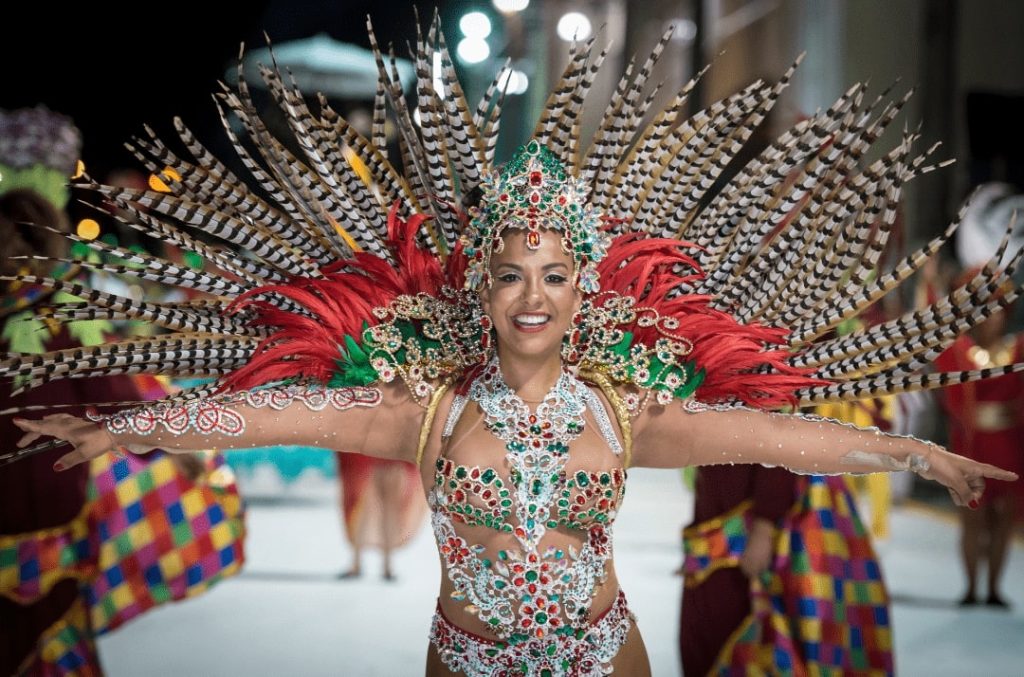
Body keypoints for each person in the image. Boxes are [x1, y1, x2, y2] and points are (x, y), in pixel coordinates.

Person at [4, 21, 1020, 676]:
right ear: (482, 289)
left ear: (582, 290)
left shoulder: (628, 410)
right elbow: (262, 413)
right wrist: (128, 423)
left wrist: (909, 452)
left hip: (606, 654)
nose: (532, 295)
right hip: (467, 658)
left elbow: (777, 435)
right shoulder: (428, 408)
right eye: (511, 274)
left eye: (554, 275)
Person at [0, 106, 245, 675]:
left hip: (41, 489)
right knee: (48, 635)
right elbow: (118, 387)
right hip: (44, 496)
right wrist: (185, 447)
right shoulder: (59, 305)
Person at [936, 271, 1024, 608]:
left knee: (1003, 518)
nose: (992, 318)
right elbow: (937, 332)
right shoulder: (960, 351)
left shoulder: (1017, 349)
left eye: (998, 309)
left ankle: (994, 589)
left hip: (1009, 444)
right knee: (972, 516)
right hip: (972, 447)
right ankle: (971, 589)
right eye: (985, 310)